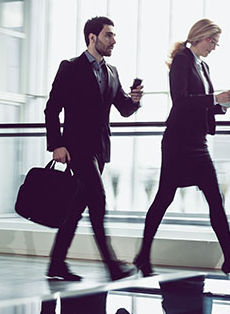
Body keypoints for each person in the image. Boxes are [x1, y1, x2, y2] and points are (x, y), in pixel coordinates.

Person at [134, 18, 230, 278]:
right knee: (163, 198)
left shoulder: (204, 66)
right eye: (212, 41)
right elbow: (180, 100)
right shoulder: (182, 60)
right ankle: (143, 255)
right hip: (178, 143)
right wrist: (215, 97)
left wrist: (225, 104)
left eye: (216, 43)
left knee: (215, 199)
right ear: (200, 36)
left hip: (197, 142)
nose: (214, 47)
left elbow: (203, 104)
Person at [44, 16, 143, 281]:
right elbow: (52, 109)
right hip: (77, 149)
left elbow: (123, 108)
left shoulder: (112, 72)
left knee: (76, 208)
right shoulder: (70, 68)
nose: (113, 40)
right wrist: (57, 144)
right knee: (98, 201)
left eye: (113, 35)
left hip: (100, 151)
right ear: (92, 37)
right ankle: (112, 266)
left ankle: (56, 264)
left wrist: (135, 100)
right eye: (108, 35)